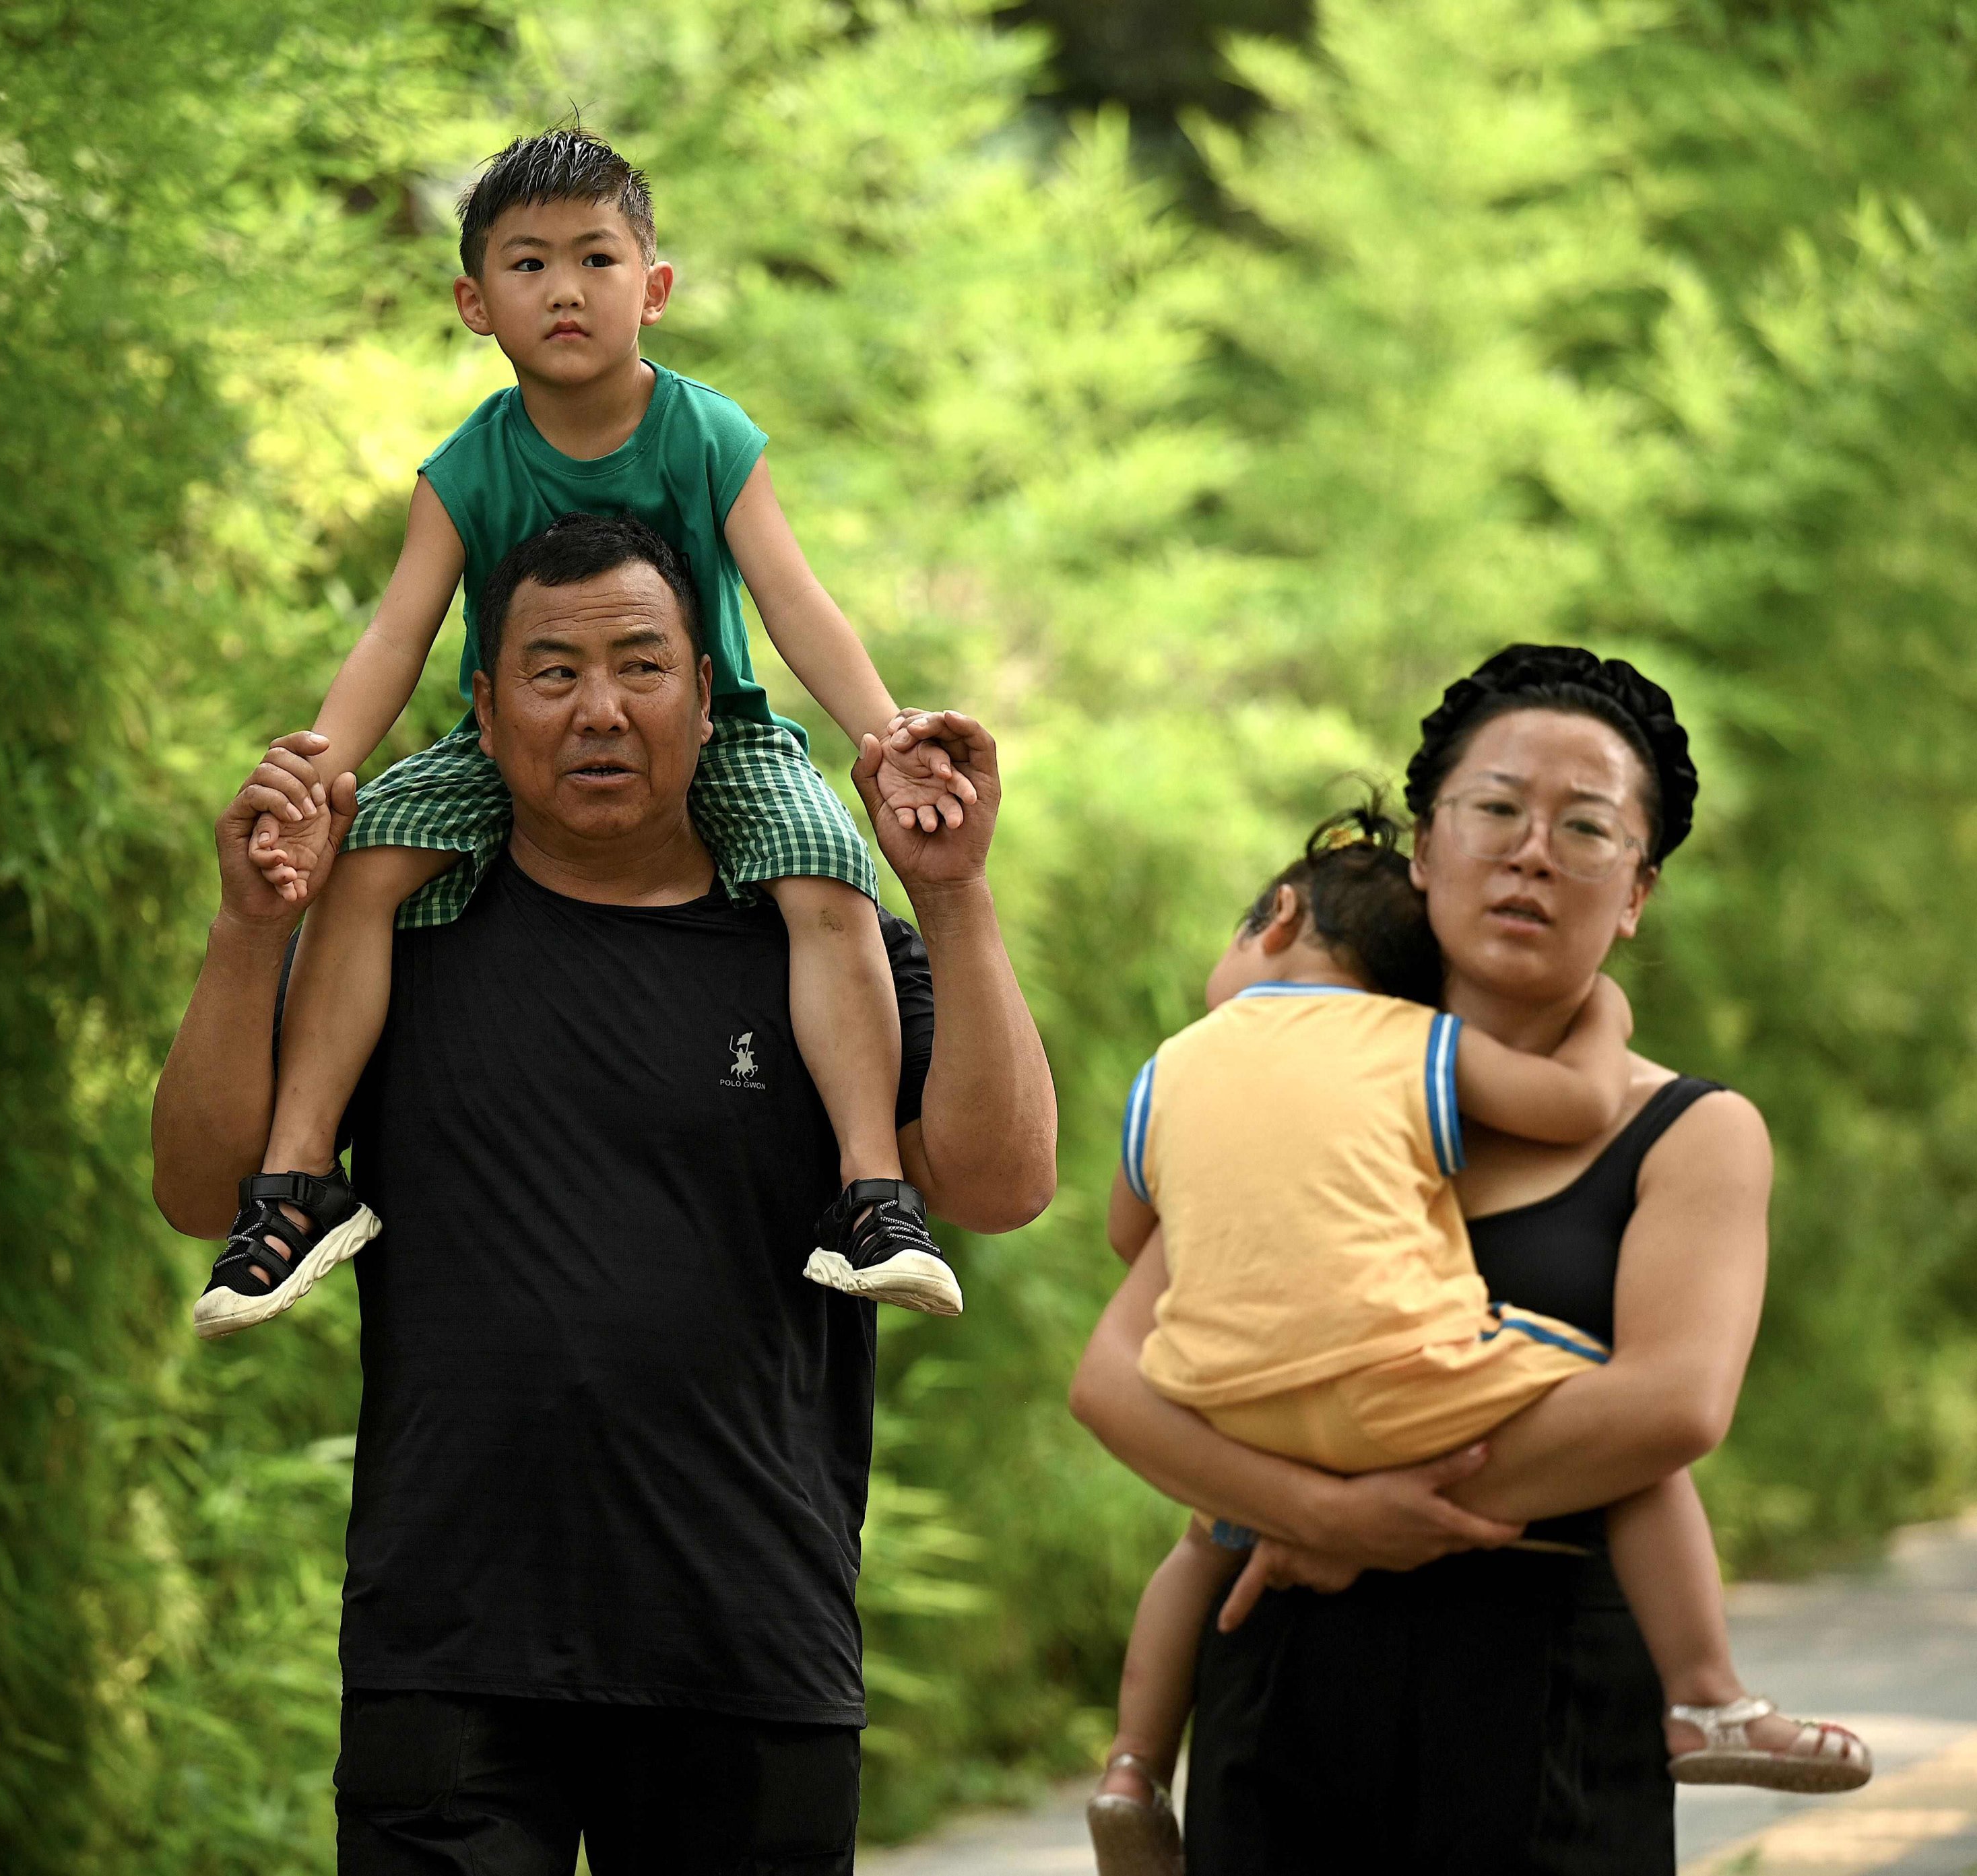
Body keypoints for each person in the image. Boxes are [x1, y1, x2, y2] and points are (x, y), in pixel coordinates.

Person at [150, 515, 1056, 1872]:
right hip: (446, 1644)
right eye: (551, 670)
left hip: (747, 1639)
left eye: (639, 665)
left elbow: (997, 1181)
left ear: (705, 693)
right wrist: (248, 930)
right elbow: (197, 1187)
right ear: (483, 706)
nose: (598, 710)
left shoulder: (822, 947)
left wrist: (955, 900)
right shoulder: (404, 937)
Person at [1070, 645, 1873, 1873]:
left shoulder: (1691, 1132)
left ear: (1638, 890)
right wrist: (1329, 1514)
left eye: (1587, 829)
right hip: (1286, 1677)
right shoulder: (1300, 1099)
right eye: (1496, 809)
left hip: (1552, 1688)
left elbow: (1673, 1400)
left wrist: (1386, 1511)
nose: (1534, 851)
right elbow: (1117, 1377)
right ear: (1427, 850)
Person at [191, 124, 978, 1340]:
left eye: (598, 260)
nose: (565, 290)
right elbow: (397, 636)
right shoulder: (466, 468)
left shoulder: (709, 436)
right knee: (361, 869)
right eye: (528, 263)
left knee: (830, 872)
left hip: (720, 735)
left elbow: (791, 598)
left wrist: (885, 735)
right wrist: (321, 769)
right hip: (506, 745)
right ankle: (297, 1184)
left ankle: (873, 1192)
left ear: (653, 289)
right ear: (472, 301)